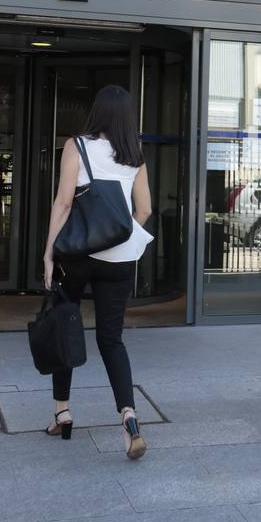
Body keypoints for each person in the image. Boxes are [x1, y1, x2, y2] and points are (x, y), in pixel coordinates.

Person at [42, 85, 153, 460]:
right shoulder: (134, 154)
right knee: (112, 339)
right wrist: (123, 238)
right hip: (119, 259)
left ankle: (63, 412)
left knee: (65, 323)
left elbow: (63, 202)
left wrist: (48, 252)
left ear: (97, 112)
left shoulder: (77, 146)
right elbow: (145, 210)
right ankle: (129, 417)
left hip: (78, 254)